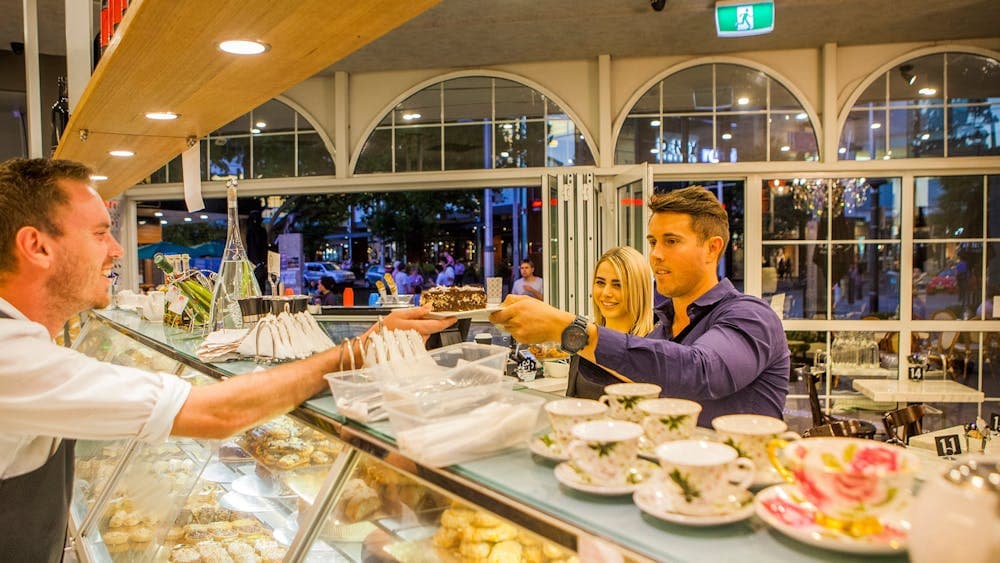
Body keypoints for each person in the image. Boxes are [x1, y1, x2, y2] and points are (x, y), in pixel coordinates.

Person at [0, 158, 456, 561]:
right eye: (100, 234)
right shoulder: (10, 357)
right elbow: (217, 413)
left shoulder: (24, 344)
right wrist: (356, 351)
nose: (117, 250)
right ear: (36, 246)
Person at [492, 186, 789, 427]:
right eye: (653, 242)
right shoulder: (661, 333)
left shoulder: (750, 315)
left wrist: (570, 329)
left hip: (742, 490)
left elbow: (699, 372)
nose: (656, 254)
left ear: (712, 248)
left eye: (671, 241)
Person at [567, 246, 655, 399]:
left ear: (638, 289)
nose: (606, 293)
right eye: (600, 283)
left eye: (618, 285)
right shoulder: (585, 339)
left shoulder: (652, 347)